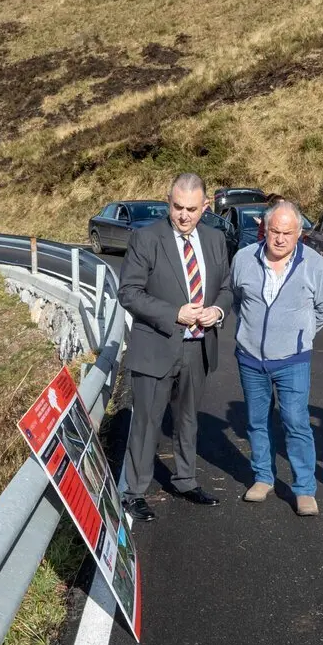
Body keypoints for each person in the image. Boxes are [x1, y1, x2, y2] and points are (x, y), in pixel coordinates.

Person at [117, 172, 234, 521]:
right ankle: (133, 492)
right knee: (147, 423)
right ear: (168, 202)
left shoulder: (215, 240)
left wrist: (217, 310)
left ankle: (185, 480)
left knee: (187, 420)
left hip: (198, 348)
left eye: (192, 209)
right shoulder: (146, 238)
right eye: (177, 207)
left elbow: (227, 288)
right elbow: (129, 292)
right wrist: (175, 313)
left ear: (206, 206)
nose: (184, 215)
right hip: (157, 346)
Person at [230, 201, 323, 516]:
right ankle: (263, 477)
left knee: (296, 421)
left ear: (299, 233)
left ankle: (304, 489)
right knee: (256, 420)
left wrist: (301, 335)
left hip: (293, 360)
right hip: (250, 358)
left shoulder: (316, 265)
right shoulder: (244, 259)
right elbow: (237, 299)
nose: (279, 238)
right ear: (265, 229)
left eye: (287, 232)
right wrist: (250, 331)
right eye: (274, 230)